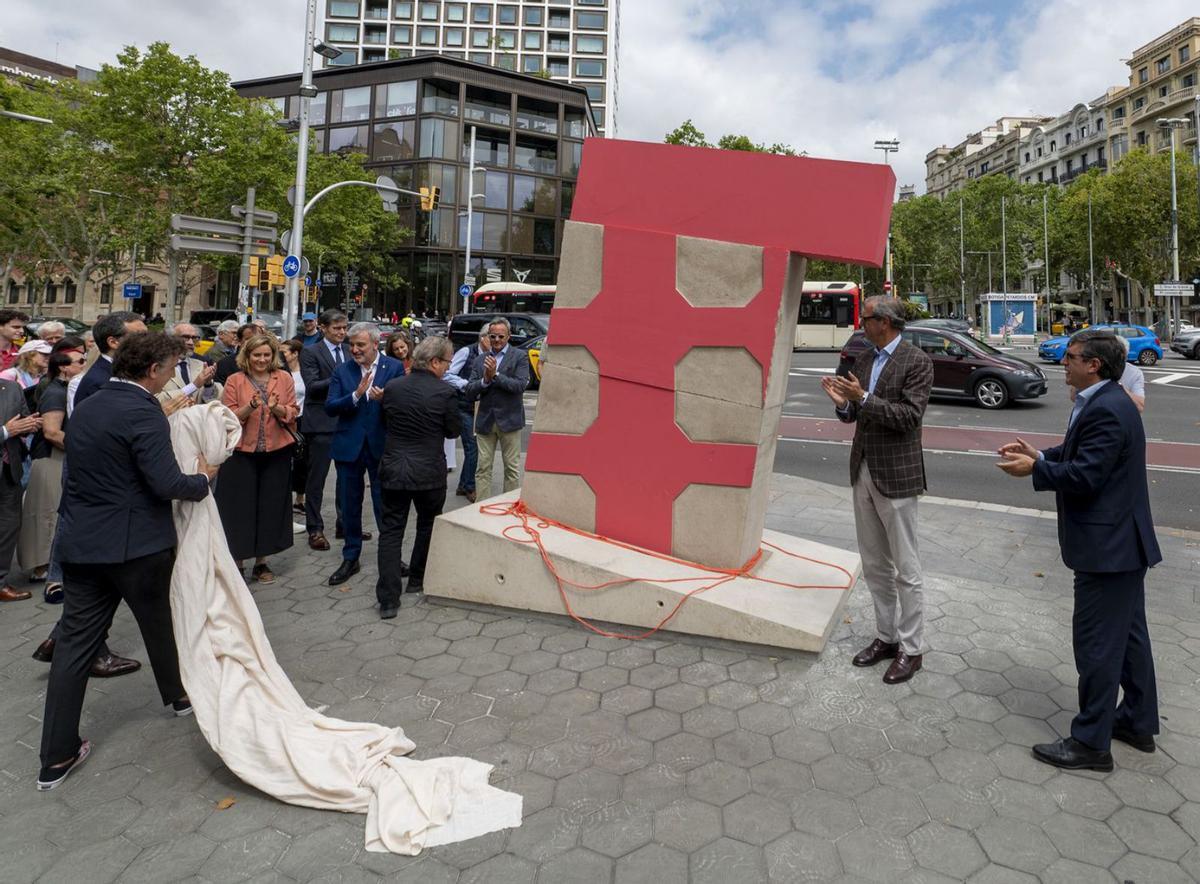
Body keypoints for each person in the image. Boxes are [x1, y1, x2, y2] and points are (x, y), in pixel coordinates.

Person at [37, 332, 218, 791]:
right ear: (154, 370)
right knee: (159, 621)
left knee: (75, 646)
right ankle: (178, 696)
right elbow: (166, 482)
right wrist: (203, 478)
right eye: (171, 367)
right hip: (137, 545)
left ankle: (55, 757)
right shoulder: (143, 411)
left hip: (82, 543)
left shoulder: (92, 402)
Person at [997, 330, 1161, 771]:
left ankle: (1091, 744)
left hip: (1109, 551)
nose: (1063, 362)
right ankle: (1136, 722)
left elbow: (1086, 476)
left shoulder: (1107, 407)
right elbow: (1079, 453)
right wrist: (1041, 454)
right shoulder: (1103, 399)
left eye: (1071, 357)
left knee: (1097, 647)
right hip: (1122, 546)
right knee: (1129, 640)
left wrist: (1036, 470)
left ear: (1094, 364)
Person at [820, 296, 934, 685]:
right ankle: (886, 637)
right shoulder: (864, 359)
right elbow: (857, 414)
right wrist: (843, 404)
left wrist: (863, 399)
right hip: (863, 470)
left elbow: (908, 417)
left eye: (865, 318)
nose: (861, 323)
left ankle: (912, 648)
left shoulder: (916, 361)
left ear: (884, 322)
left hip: (897, 476)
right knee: (873, 565)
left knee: (907, 567)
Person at [377, 337, 460, 618]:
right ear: (435, 362)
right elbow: (452, 431)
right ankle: (416, 579)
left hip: (394, 468)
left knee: (390, 531)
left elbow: (384, 422)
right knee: (426, 525)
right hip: (429, 472)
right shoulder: (445, 392)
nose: (448, 368)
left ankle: (388, 599)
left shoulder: (393, 387)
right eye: (447, 362)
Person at [325, 322, 404, 586]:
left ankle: (390, 557)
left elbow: (404, 404)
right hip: (349, 448)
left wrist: (387, 401)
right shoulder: (342, 370)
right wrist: (356, 394)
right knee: (350, 503)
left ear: (374, 344)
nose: (354, 350)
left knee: (386, 502)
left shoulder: (393, 367)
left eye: (360, 345)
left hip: (382, 447)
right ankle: (351, 556)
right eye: (352, 345)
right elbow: (331, 407)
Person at [216, 333, 299, 584]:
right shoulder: (235, 380)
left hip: (276, 452)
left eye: (266, 355)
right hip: (241, 453)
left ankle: (262, 562)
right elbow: (227, 416)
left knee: (269, 507)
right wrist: (250, 407)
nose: (262, 359)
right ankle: (238, 562)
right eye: (257, 355)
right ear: (247, 356)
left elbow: (293, 411)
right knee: (238, 509)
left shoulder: (283, 378)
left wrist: (276, 408)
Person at [19, 343, 87, 586]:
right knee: (44, 511)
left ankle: (50, 564)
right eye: (79, 362)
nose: (84, 365)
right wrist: (85, 449)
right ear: (63, 369)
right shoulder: (56, 392)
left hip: (59, 455)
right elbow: (51, 432)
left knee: (52, 510)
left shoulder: (65, 389)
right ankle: (40, 567)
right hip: (50, 457)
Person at [299, 310, 351, 551]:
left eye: (344, 328)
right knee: (316, 479)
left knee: (347, 479)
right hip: (321, 423)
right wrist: (340, 378)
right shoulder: (311, 352)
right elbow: (312, 386)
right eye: (336, 328)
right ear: (323, 328)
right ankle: (315, 528)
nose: (341, 332)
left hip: (347, 422)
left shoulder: (351, 350)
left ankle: (345, 523)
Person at [466, 318, 530, 499]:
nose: (496, 340)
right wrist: (485, 381)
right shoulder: (480, 360)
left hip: (510, 420)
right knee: (483, 468)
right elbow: (470, 390)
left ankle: (508, 507)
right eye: (492, 336)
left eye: (501, 336)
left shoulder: (520, 356)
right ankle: (481, 507)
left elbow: (519, 386)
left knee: (511, 468)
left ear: (508, 336)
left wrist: (496, 375)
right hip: (485, 420)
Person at [69, 311, 146, 414]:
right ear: (113, 342)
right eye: (140, 336)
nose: (148, 341)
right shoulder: (98, 382)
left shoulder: (125, 370)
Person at [445, 329, 490, 503]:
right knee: (472, 447)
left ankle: (463, 485)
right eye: (491, 337)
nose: (494, 341)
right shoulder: (466, 352)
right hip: (462, 406)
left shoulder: (491, 356)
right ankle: (469, 486)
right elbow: (447, 375)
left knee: (474, 447)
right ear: (482, 337)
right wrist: (467, 385)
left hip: (478, 407)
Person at [158, 323, 221, 405]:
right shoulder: (158, 366)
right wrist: (194, 386)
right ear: (170, 339)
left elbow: (211, 401)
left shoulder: (201, 365)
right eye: (185, 337)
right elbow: (157, 399)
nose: (191, 342)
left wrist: (208, 384)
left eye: (194, 338)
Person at [280, 339, 308, 517]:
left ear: (295, 353)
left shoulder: (305, 372)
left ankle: (300, 498)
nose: (281, 356)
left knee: (302, 460)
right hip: (283, 419)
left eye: (285, 352)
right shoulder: (280, 372)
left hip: (302, 419)